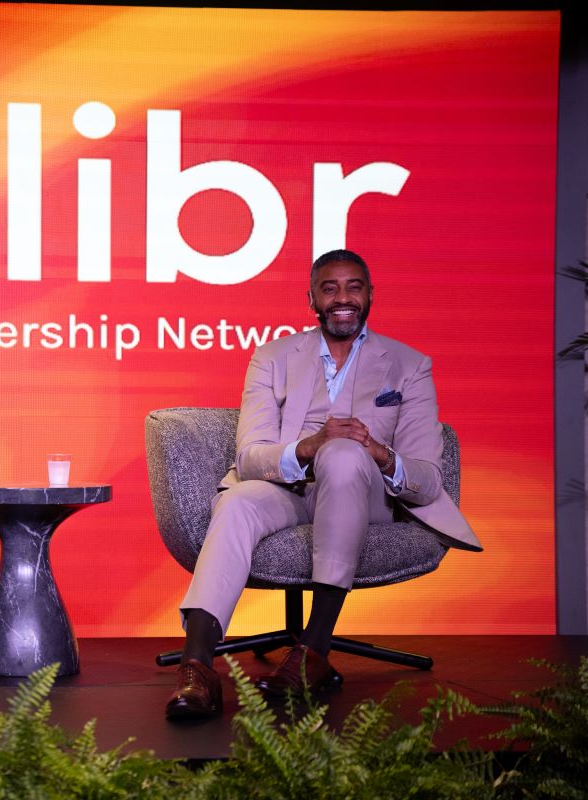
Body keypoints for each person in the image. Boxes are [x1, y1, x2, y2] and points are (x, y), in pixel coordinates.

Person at [164, 249, 481, 720]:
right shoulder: (272, 358)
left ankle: (314, 648)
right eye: (329, 288)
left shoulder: (408, 366)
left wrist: (378, 452)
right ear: (311, 298)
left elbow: (427, 479)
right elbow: (250, 457)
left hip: (364, 490)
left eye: (353, 286)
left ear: (370, 295)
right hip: (288, 487)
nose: (342, 298)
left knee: (346, 454)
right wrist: (309, 447)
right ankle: (198, 667)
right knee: (236, 504)